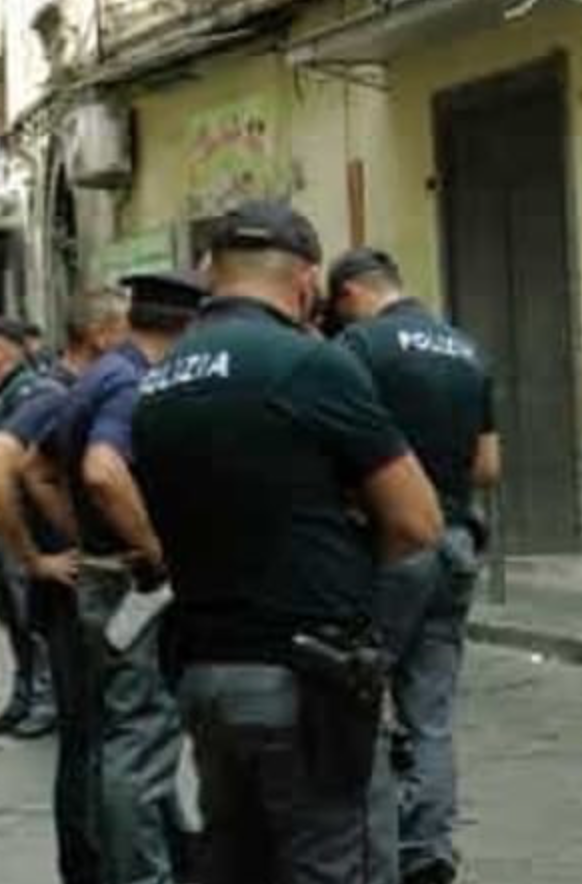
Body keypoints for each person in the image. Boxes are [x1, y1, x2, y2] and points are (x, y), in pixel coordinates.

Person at [132, 200, 443, 884]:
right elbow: (418, 522)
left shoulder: (160, 380)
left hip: (206, 675)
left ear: (212, 274)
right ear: (305, 283)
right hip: (308, 682)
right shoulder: (308, 365)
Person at [323, 247, 499, 884]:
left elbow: (336, 448)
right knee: (431, 712)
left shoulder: (358, 348)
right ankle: (428, 848)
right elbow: (488, 468)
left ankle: (369, 848)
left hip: (388, 543)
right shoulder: (467, 349)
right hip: (455, 541)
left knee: (358, 695)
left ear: (349, 295)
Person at [34, 273, 203, 884]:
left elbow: (37, 470)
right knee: (141, 736)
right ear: (188, 327)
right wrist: (152, 550)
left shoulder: (97, 377)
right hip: (133, 585)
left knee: (119, 737)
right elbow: (103, 471)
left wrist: (86, 538)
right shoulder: (133, 385)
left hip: (105, 575)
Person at [0, 290, 130, 884]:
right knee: (88, 739)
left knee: (87, 738)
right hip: (71, 594)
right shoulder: (54, 396)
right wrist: (36, 558)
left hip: (70, 591)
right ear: (101, 334)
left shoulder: (63, 393)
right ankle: (89, 864)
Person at [0, 316, 58, 738]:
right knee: (10, 617)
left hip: (18, 519)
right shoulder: (0, 395)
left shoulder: (32, 391)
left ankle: (46, 698)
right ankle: (23, 694)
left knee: (29, 616)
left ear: (6, 347)